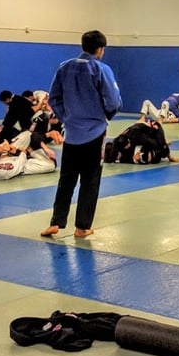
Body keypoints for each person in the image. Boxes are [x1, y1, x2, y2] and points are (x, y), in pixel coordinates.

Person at [40, 30, 122, 239]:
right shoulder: (101, 69)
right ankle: (82, 227)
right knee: (90, 180)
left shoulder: (64, 67)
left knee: (66, 179)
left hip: (71, 132)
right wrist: (105, 116)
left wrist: (66, 117)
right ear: (100, 49)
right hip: (95, 132)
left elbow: (54, 98)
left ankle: (56, 222)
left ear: (83, 46)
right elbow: (113, 101)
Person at [103, 120, 179, 164]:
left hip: (153, 128)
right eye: (127, 146)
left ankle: (169, 156)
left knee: (161, 145)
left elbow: (149, 141)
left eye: (128, 145)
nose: (129, 146)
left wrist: (140, 152)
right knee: (153, 149)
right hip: (143, 132)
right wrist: (109, 160)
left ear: (128, 140)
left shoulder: (135, 135)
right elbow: (115, 146)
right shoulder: (119, 139)